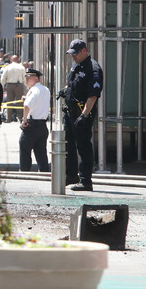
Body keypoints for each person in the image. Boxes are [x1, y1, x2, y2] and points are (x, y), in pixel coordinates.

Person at [62, 39, 104, 192]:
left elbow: (93, 95)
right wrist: (65, 91)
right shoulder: (76, 64)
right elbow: (74, 84)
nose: (73, 57)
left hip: (82, 113)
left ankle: (86, 181)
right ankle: (71, 175)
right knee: (69, 145)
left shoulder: (93, 68)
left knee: (83, 146)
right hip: (70, 112)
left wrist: (84, 115)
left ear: (84, 51)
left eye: (75, 54)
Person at [18, 68, 51, 172]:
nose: (26, 80)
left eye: (29, 78)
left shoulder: (34, 90)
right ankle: (44, 172)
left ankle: (24, 171)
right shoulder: (45, 89)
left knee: (24, 147)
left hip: (32, 125)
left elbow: (27, 105)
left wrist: (24, 120)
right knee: (41, 151)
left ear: (36, 79)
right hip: (42, 126)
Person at [0, 55, 26, 122]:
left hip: (10, 85)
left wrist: (1, 86)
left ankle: (8, 118)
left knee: (9, 101)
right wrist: (27, 86)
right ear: (17, 59)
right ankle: (20, 117)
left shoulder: (7, 67)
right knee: (20, 102)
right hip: (19, 85)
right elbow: (24, 77)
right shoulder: (21, 67)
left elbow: (3, 78)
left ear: (11, 60)